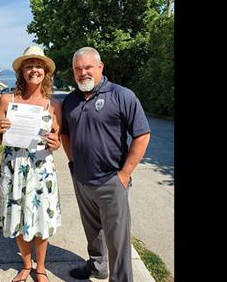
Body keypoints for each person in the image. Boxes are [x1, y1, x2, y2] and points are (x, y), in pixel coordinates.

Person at [61, 47, 151, 282]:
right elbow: (65, 135)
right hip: (82, 180)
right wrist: (73, 164)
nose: (83, 73)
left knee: (117, 240)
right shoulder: (70, 100)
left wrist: (125, 173)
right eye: (78, 69)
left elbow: (142, 135)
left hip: (112, 181)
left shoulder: (122, 95)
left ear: (100, 67)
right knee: (92, 233)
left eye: (88, 67)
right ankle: (97, 267)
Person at [0, 46, 62, 282]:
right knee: (19, 218)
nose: (34, 70)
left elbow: (57, 141)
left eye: (39, 66)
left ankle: (40, 269)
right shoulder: (6, 100)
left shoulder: (53, 105)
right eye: (29, 65)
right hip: (14, 169)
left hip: (42, 170)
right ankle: (26, 264)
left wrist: (54, 142)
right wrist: (0, 130)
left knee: (41, 217)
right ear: (21, 71)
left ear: (45, 72)